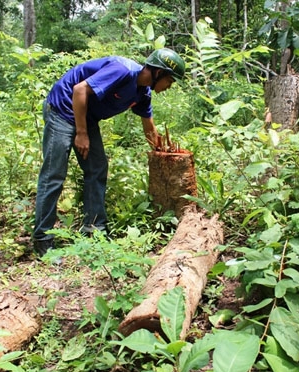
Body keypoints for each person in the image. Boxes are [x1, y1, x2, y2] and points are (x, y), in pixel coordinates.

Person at [32, 48, 186, 257]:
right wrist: (81, 133)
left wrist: (165, 153)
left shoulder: (143, 94)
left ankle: (95, 230)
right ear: (159, 73)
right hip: (62, 108)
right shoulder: (122, 70)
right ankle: (43, 240)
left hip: (86, 116)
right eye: (170, 80)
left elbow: (149, 127)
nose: (169, 86)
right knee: (54, 174)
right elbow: (79, 90)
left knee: (97, 168)